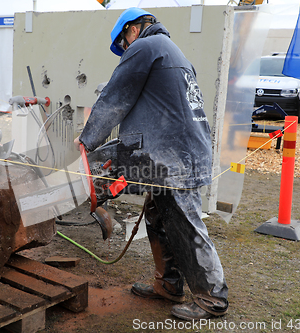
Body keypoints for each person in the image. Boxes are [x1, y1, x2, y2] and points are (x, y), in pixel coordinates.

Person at [73, 7, 229, 320]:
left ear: (133, 28)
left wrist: (84, 142)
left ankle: (212, 298)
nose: (126, 50)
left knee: (184, 222)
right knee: (160, 216)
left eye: (124, 43)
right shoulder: (173, 53)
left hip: (175, 154)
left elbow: (116, 98)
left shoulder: (147, 47)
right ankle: (168, 285)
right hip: (176, 150)